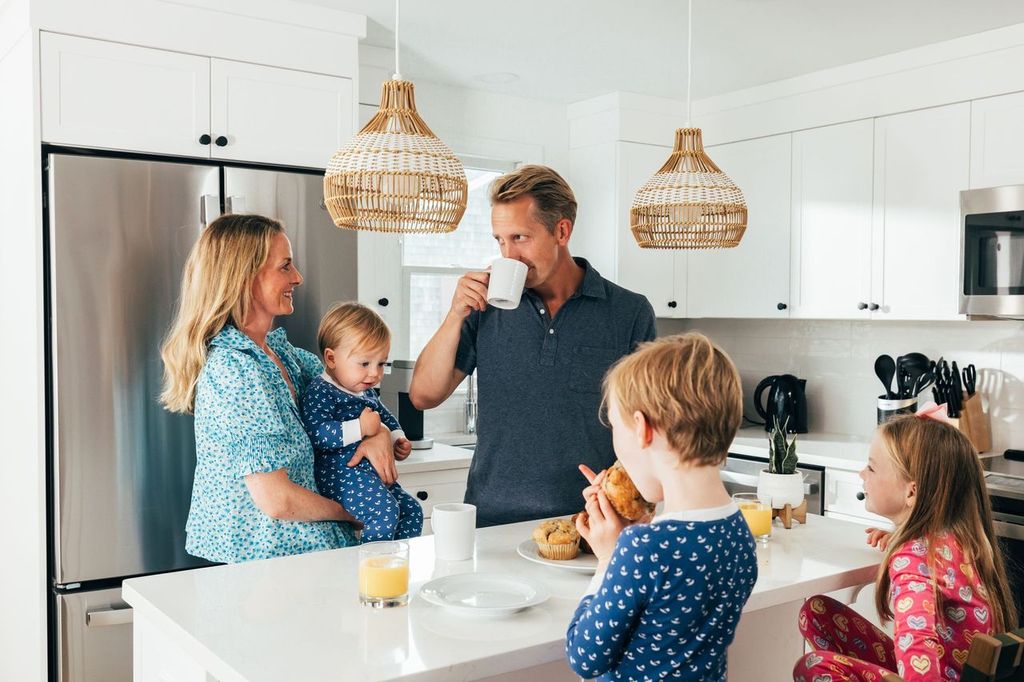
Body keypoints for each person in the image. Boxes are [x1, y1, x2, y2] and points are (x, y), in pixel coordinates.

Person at [409, 164, 657, 526]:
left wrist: (639, 506)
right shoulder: (484, 307)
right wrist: (454, 315)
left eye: (520, 238)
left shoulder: (628, 311)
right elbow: (423, 396)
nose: (508, 255)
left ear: (561, 230)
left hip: (593, 522)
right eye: (500, 240)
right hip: (492, 520)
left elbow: (649, 424)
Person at [161, 214, 373, 563]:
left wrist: (378, 437)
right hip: (266, 574)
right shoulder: (235, 369)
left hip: (304, 560)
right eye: (285, 267)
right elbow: (278, 501)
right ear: (244, 277)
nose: (298, 277)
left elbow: (352, 402)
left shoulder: (282, 354)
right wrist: (355, 512)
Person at [565, 333, 759, 681]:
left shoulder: (642, 549)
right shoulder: (738, 531)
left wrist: (609, 559)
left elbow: (585, 656)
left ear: (642, 430)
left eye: (614, 424)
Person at [793, 410, 1017, 682]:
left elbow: (917, 639)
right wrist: (898, 538)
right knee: (816, 612)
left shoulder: (914, 557)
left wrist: (904, 553)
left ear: (911, 492)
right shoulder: (955, 542)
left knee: (815, 666)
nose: (862, 472)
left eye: (872, 467)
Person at [299, 302, 422, 542]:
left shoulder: (364, 392)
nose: (374, 374)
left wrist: (397, 437)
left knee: (412, 512)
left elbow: (385, 416)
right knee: (384, 513)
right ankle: (374, 569)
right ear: (331, 358)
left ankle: (396, 563)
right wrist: (361, 428)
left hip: (370, 475)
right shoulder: (321, 391)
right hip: (340, 474)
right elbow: (317, 434)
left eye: (381, 364)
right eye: (365, 363)